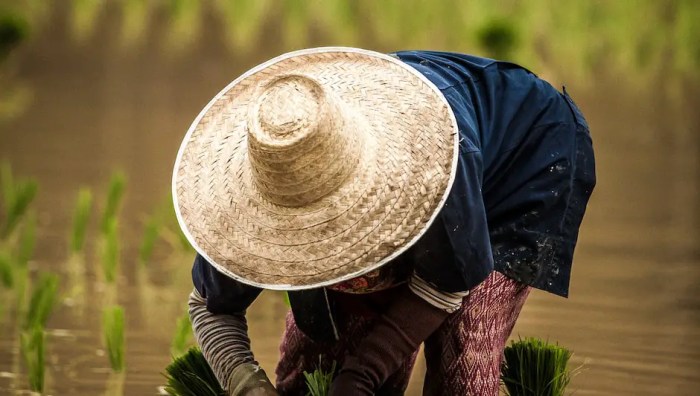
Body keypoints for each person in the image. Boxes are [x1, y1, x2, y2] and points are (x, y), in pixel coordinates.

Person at [172, 47, 596, 395]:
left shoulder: (433, 170)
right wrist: (248, 387)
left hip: (520, 161)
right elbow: (209, 307)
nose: (318, 237)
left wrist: (362, 375)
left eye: (331, 222)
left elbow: (450, 282)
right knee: (313, 369)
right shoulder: (246, 208)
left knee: (462, 360)